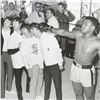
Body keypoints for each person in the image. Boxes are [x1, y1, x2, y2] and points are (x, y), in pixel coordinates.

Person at [49, 16, 100, 100]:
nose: (82, 26)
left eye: (85, 24)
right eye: (83, 24)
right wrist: (50, 28)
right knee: (78, 94)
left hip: (87, 72)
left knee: (90, 97)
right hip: (74, 68)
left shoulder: (97, 43)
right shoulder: (78, 34)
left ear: (93, 27)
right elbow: (64, 32)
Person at [32, 23, 63, 100]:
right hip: (46, 65)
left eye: (33, 30)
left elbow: (58, 51)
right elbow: (41, 54)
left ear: (38, 30)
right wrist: (41, 67)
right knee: (47, 85)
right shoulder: (38, 39)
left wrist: (60, 63)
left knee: (57, 86)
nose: (32, 32)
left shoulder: (50, 37)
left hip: (54, 64)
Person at [20, 23, 43, 100]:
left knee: (40, 78)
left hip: (40, 62)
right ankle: (31, 97)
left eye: (26, 32)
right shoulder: (23, 43)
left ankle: (38, 94)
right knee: (33, 82)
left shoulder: (36, 39)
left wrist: (41, 65)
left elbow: (40, 52)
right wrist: (28, 69)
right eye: (23, 33)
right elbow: (24, 58)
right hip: (32, 64)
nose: (25, 35)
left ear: (30, 30)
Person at [7, 17, 25, 100]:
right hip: (17, 61)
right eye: (13, 23)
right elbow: (9, 51)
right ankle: (20, 97)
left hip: (25, 60)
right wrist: (18, 48)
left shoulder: (24, 33)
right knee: (18, 80)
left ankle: (28, 90)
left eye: (15, 23)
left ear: (20, 24)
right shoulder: (12, 36)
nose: (13, 25)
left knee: (30, 76)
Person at [1, 17, 13, 98]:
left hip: (9, 54)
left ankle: (8, 88)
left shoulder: (12, 32)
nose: (6, 22)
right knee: (2, 74)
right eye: (5, 21)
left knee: (10, 72)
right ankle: (2, 94)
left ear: (11, 24)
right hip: (1, 54)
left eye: (8, 21)